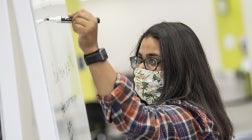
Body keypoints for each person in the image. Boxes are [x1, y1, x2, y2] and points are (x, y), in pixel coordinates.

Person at [69, 9, 233, 140]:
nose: (141, 68)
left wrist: (92, 51)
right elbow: (123, 114)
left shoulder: (190, 118)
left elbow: (138, 122)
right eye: (139, 59)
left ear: (180, 67)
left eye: (152, 61)